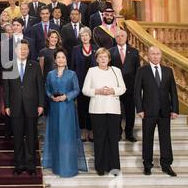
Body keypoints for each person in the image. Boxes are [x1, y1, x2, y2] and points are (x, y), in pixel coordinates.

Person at [134, 46, 179, 177]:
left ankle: (166, 165)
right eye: (152, 54)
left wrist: (175, 109)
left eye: (157, 54)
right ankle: (147, 165)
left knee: (165, 139)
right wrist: (140, 109)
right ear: (148, 56)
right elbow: (137, 92)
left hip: (165, 111)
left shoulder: (168, 71)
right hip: (148, 111)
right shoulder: (142, 70)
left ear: (161, 56)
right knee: (147, 138)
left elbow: (173, 92)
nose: (155, 56)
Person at [43, 48, 87, 177]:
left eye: (63, 57)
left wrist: (66, 96)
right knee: (56, 136)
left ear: (66, 59)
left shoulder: (72, 74)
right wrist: (51, 96)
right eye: (58, 57)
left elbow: (76, 89)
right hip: (54, 108)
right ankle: (57, 166)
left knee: (67, 137)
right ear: (55, 60)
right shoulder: (50, 74)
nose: (61, 59)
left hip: (67, 108)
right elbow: (47, 88)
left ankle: (68, 167)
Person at [82, 48, 126, 176]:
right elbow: (85, 90)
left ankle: (114, 167)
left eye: (105, 57)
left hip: (113, 109)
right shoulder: (92, 71)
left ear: (109, 59)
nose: (103, 59)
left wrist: (113, 91)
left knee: (113, 138)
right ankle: (100, 166)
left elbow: (123, 88)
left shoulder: (116, 71)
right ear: (96, 59)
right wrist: (97, 91)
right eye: (100, 57)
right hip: (97, 109)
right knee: (100, 138)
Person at [4, 40, 44, 176]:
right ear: (15, 51)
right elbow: (7, 88)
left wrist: (41, 104)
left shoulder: (35, 66)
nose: (23, 51)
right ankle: (19, 165)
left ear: (28, 50)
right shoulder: (8, 66)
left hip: (32, 106)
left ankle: (31, 165)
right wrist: (7, 105)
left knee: (31, 137)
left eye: (25, 49)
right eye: (20, 49)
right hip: (15, 107)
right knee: (18, 137)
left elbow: (40, 86)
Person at [110, 30, 140, 142]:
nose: (120, 38)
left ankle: (129, 133)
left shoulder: (134, 52)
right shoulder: (110, 51)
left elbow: (138, 70)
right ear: (115, 38)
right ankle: (117, 132)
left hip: (130, 87)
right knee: (116, 111)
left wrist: (137, 86)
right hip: (115, 88)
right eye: (117, 36)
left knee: (130, 111)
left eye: (122, 36)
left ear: (126, 37)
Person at [71, 27, 98, 142]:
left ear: (90, 36)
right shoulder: (75, 49)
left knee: (92, 107)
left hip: (94, 83)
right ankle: (83, 130)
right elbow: (72, 67)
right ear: (80, 37)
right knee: (81, 108)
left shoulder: (96, 49)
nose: (85, 37)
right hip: (80, 82)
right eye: (82, 35)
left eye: (86, 35)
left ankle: (91, 131)